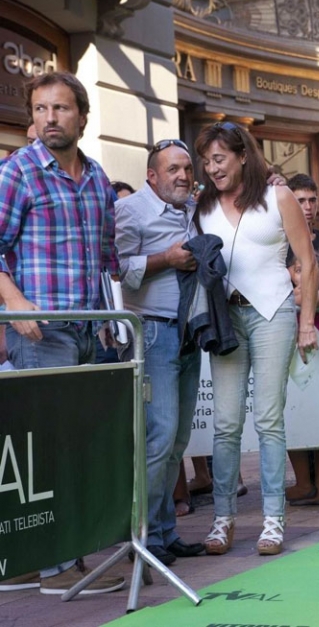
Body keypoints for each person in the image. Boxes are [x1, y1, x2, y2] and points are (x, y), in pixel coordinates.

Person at [0, 71, 125, 594]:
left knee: (74, 446)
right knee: (48, 449)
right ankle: (60, 568)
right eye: (41, 109)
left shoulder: (97, 178)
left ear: (82, 115)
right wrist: (13, 302)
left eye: (60, 108)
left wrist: (109, 322)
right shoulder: (18, 172)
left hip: (87, 331)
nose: (50, 118)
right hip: (39, 333)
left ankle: (29, 562)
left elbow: (105, 259)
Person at [194, 121, 319, 557]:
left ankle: (272, 521)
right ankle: (222, 519)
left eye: (220, 159)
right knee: (225, 423)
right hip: (226, 319)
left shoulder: (277, 195)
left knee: (268, 418)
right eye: (207, 161)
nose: (212, 168)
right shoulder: (203, 204)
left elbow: (308, 262)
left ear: (243, 155)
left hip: (274, 313)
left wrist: (307, 322)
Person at [114, 139, 206, 566]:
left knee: (178, 441)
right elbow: (121, 270)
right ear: (152, 175)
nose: (183, 176)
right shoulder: (132, 210)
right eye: (172, 169)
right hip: (153, 332)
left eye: (187, 168)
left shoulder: (191, 208)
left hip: (189, 331)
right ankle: (142, 536)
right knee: (160, 436)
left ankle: (165, 534)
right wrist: (167, 258)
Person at [283, 173, 319, 506]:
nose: (307, 207)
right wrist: (311, 294)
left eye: (311, 200)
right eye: (300, 200)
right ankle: (302, 482)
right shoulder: (279, 240)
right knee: (293, 410)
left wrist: (310, 294)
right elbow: (278, 291)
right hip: (288, 333)